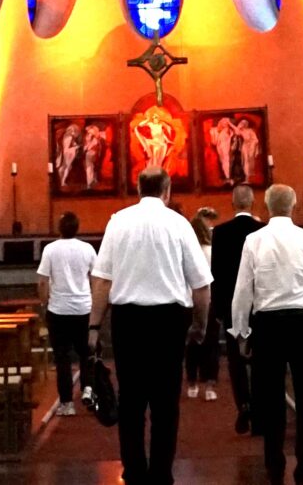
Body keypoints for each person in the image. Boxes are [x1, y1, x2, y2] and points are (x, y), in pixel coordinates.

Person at [91, 166, 213, 485]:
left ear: (137, 189)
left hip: (128, 320)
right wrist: (200, 325)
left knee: (130, 400)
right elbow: (201, 285)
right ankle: (161, 473)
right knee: (165, 403)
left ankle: (133, 471)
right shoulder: (179, 224)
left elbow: (102, 279)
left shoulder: (118, 221)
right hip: (169, 321)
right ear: (167, 189)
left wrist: (94, 327)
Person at [230, 183, 303, 485]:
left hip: (268, 326)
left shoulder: (254, 240)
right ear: (294, 205)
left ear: (266, 206)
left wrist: (241, 331)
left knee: (270, 399)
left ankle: (274, 464)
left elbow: (243, 291)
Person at [207, 183, 263, 430]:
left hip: (231, 304)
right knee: (262, 357)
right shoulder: (262, 231)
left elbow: (216, 273)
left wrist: (218, 310)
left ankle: (244, 405)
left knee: (235, 359)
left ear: (232, 204)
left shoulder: (220, 233)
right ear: (252, 203)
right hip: (260, 303)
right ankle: (261, 410)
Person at [37, 211, 97, 415]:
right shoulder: (87, 249)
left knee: (62, 358)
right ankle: (88, 390)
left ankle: (67, 403)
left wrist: (45, 303)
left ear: (59, 228)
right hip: (83, 308)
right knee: (86, 352)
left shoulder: (50, 250)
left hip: (59, 310)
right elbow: (96, 278)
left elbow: (43, 281)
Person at [185, 209, 221, 396]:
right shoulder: (212, 252)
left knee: (192, 342)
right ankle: (209, 385)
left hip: (189, 301)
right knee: (211, 342)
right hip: (209, 300)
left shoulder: (185, 252)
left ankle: (192, 383)